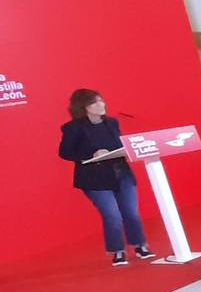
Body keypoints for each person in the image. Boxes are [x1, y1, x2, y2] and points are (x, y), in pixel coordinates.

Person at [56, 89, 155, 266]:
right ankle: (118, 250)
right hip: (95, 178)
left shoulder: (111, 122)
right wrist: (90, 153)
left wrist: (128, 148)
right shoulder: (73, 128)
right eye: (95, 102)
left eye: (102, 101)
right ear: (84, 107)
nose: (102, 105)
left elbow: (118, 143)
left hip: (120, 172)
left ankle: (140, 245)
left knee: (131, 212)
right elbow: (65, 152)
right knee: (112, 215)